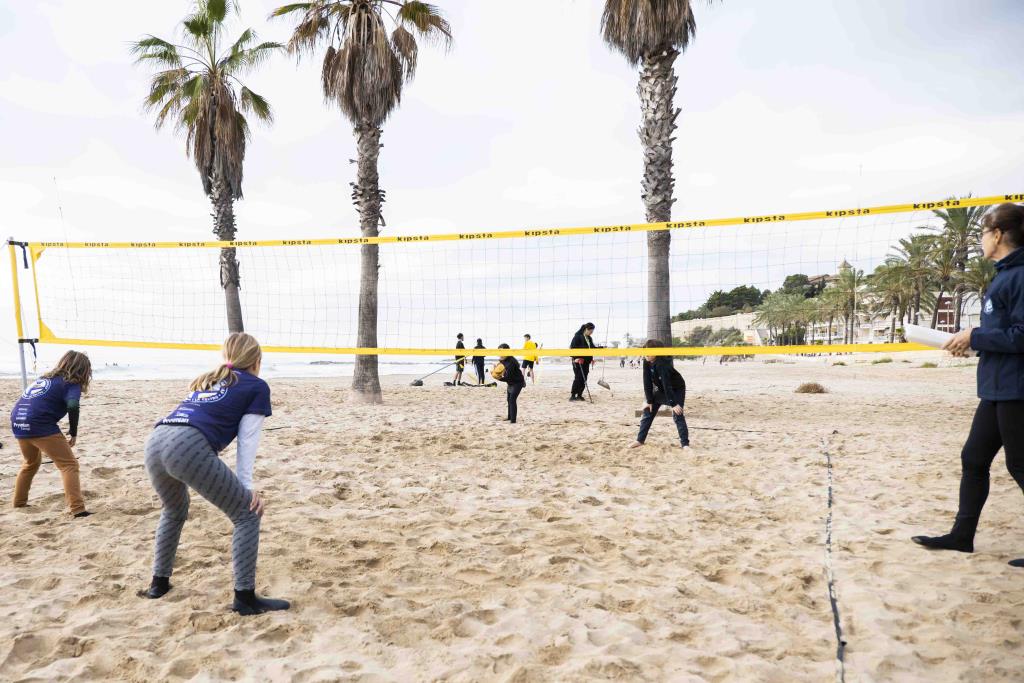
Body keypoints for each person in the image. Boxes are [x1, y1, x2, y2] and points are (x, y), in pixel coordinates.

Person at [142, 333, 289, 614]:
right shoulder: (256, 386)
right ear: (257, 361)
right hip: (186, 445)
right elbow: (248, 441)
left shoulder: (210, 380)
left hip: (156, 440)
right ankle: (245, 599)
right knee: (247, 514)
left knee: (174, 509)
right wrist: (247, 488)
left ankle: (158, 584)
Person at [912, 203, 1024, 568]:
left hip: (1017, 390)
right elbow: (1003, 335)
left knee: (1020, 467)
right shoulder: (1003, 274)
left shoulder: (1020, 275)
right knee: (973, 459)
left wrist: (975, 335)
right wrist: (972, 344)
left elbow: (1021, 336)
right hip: (996, 387)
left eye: (981, 234)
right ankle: (962, 537)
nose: (979, 241)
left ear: (997, 235)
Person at [10, 350, 93, 518]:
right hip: (40, 423)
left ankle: (19, 502)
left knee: (30, 462)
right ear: (83, 370)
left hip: (17, 420)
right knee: (69, 465)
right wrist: (73, 431)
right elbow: (72, 406)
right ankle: (77, 509)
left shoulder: (44, 379)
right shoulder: (71, 383)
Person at [630, 339, 690, 449]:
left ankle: (685, 444)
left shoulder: (663, 364)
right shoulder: (646, 361)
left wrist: (673, 404)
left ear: (657, 352)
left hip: (676, 388)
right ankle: (640, 440)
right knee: (648, 409)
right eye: (645, 351)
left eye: (649, 351)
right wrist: (649, 400)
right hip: (662, 388)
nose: (646, 353)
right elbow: (646, 381)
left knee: (678, 413)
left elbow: (667, 384)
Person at [493, 343, 526, 423]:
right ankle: (509, 417)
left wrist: (498, 378)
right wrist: (496, 370)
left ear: (507, 351)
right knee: (508, 399)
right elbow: (503, 372)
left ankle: (513, 420)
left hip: (517, 382)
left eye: (502, 351)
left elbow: (508, 377)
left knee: (512, 400)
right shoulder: (502, 360)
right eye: (499, 351)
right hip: (510, 382)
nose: (500, 353)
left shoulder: (511, 361)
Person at [569, 322, 600, 401]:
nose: (591, 333)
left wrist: (601, 348)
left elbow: (592, 348)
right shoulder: (577, 337)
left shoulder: (589, 338)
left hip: (586, 361)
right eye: (590, 331)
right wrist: (575, 358)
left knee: (584, 378)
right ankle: (573, 395)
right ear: (586, 329)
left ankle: (579, 395)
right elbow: (572, 348)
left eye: (592, 332)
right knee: (578, 378)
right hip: (578, 361)